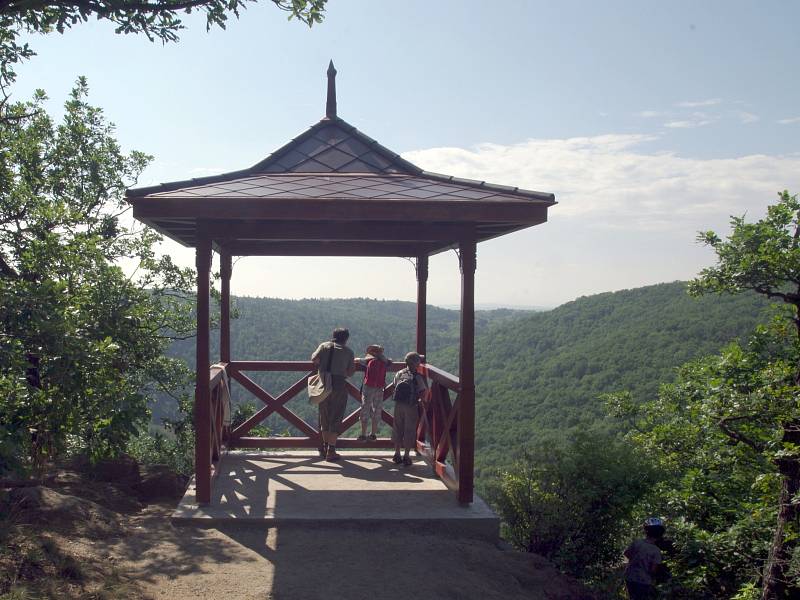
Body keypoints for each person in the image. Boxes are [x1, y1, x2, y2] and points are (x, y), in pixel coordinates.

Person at [311, 327, 355, 462]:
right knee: (336, 416)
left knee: (324, 415)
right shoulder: (348, 352)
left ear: (333, 336)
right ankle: (331, 450)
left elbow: (314, 359)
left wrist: (324, 365)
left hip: (323, 384)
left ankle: (324, 448)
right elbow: (350, 372)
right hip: (339, 385)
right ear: (346, 339)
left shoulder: (324, 346)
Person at [391, 352, 428, 466]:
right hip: (411, 406)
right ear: (416, 364)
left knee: (398, 428)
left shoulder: (399, 373)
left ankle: (397, 454)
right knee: (409, 430)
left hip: (398, 405)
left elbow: (394, 386)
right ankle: (406, 456)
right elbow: (423, 393)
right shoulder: (417, 377)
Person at [623, 517, 666, 600]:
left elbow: (626, 553)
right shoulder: (656, 551)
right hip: (644, 581)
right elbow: (653, 570)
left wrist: (636, 560)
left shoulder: (637, 543)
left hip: (630, 577)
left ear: (647, 531)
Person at [357, 344, 392, 442]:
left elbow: (357, 360)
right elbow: (390, 362)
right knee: (377, 409)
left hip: (368, 387)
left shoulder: (368, 361)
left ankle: (363, 434)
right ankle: (373, 434)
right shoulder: (385, 362)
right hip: (379, 388)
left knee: (365, 409)